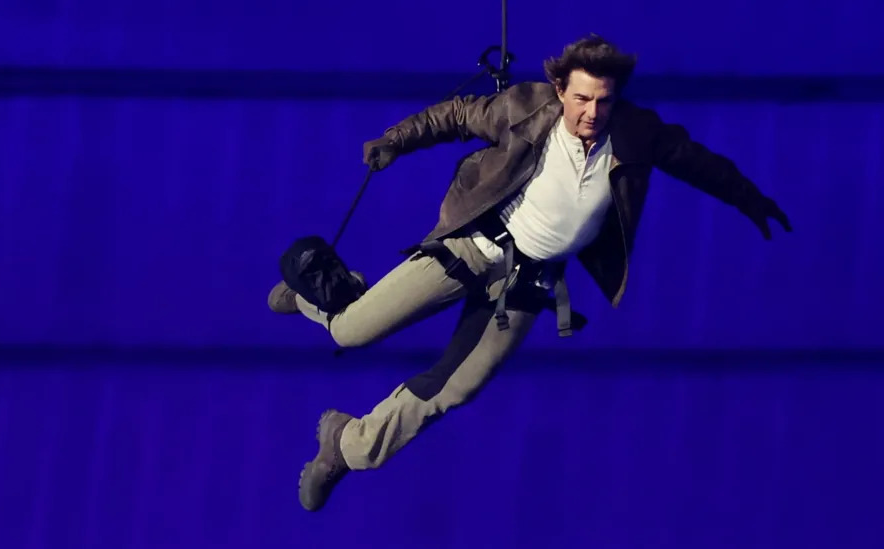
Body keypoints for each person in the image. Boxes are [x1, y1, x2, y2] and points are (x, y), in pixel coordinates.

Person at [267, 34, 791, 512]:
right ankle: (314, 297)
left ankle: (344, 445)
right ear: (562, 90)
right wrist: (396, 140)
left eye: (603, 100)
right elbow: (454, 115)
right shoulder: (525, 106)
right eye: (582, 99)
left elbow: (698, 162)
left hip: (527, 282)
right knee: (351, 329)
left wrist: (751, 200)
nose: (592, 112)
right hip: (473, 248)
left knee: (458, 386)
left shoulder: (635, 133)